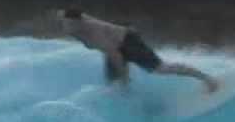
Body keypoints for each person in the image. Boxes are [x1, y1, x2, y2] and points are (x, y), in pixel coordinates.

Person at [53, 8, 219, 92]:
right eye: (67, 24)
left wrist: (124, 76)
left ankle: (207, 79)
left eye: (73, 25)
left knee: (160, 69)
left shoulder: (95, 35)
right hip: (114, 43)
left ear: (81, 23)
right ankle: (134, 106)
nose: (69, 29)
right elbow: (61, 13)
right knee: (113, 84)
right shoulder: (67, 21)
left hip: (128, 42)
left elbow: (115, 56)